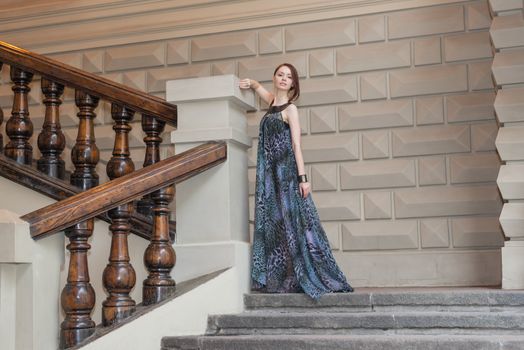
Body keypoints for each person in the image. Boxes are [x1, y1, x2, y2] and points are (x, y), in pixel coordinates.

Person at [239, 63, 353, 300]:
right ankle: (282, 278)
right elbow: (262, 90)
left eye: (288, 77)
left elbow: (296, 146)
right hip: (270, 176)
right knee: (275, 224)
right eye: (280, 74)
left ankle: (311, 273)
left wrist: (303, 179)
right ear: (274, 77)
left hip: (287, 174)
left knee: (295, 223)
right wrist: (251, 83)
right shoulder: (272, 103)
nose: (283, 78)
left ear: (293, 84)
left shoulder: (291, 110)